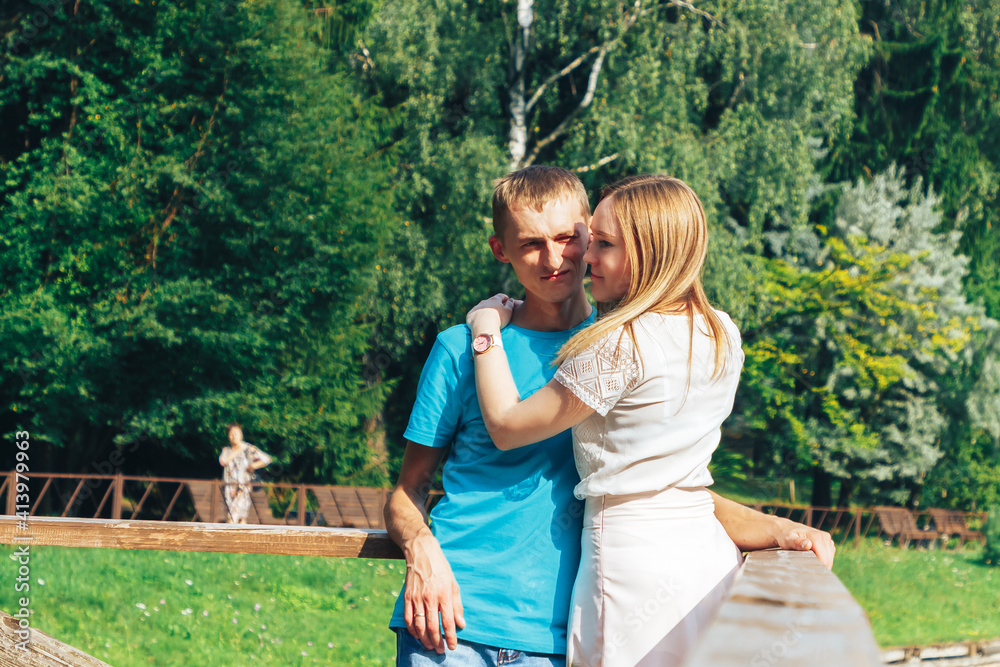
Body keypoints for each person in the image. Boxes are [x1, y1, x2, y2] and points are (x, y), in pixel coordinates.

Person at [385, 166, 834, 667]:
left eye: (571, 239)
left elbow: (661, 485)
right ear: (501, 250)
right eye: (531, 244)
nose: (555, 259)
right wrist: (422, 552)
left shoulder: (618, 349)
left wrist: (774, 527)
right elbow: (408, 490)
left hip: (561, 632)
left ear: (588, 232)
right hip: (451, 622)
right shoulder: (456, 349)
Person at [218, 423, 272, 524]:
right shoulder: (226, 451)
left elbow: (267, 459)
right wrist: (238, 450)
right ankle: (232, 538)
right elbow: (223, 461)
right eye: (231, 434)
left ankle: (239, 538)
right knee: (231, 516)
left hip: (243, 487)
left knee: (240, 517)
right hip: (229, 488)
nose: (234, 436)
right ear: (228, 436)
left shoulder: (249, 449)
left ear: (241, 435)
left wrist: (253, 466)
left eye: (237, 433)